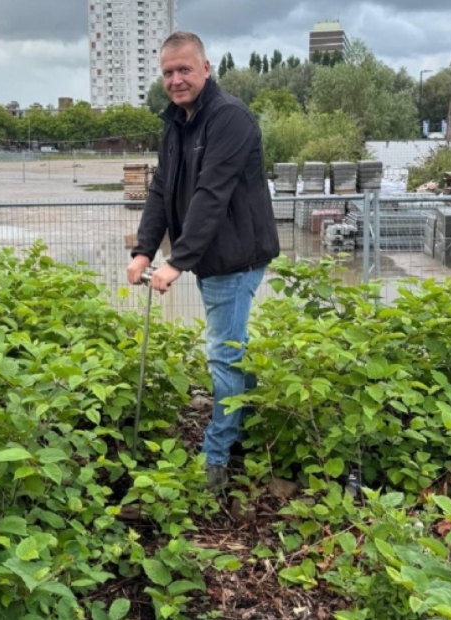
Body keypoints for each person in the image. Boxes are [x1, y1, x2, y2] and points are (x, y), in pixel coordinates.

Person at [126, 31, 280, 491]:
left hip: (234, 257)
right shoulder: (176, 123)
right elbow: (161, 191)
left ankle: (217, 457)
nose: (176, 79)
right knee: (233, 349)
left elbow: (212, 194)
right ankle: (253, 429)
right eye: (168, 72)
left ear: (206, 68)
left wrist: (179, 260)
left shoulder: (228, 118)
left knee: (223, 356)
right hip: (211, 257)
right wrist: (143, 250)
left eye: (185, 70)